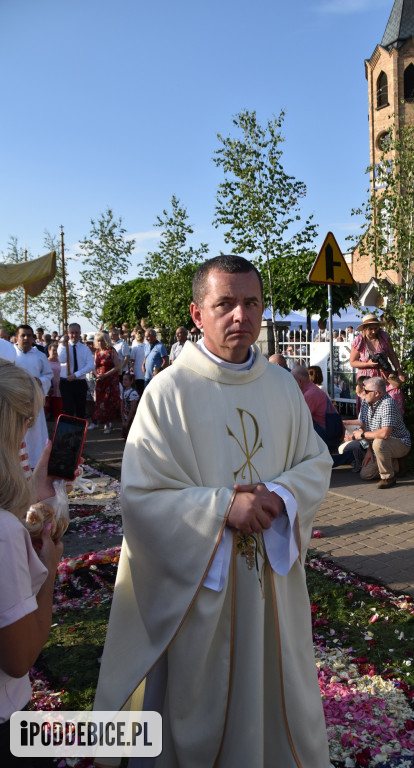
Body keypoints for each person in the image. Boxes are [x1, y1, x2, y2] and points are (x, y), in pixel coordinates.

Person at [94, 255, 332, 767]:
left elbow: (316, 461)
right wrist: (223, 507)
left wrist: (280, 496)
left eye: (251, 303)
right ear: (198, 313)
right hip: (200, 591)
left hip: (269, 587)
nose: (239, 316)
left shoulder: (282, 388)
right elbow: (141, 497)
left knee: (271, 698)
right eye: (224, 303)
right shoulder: (168, 393)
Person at [0, 361, 63, 759]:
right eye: (27, 425)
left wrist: (32, 494)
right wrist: (51, 569)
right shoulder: (4, 533)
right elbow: (19, 658)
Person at [352, 377, 411, 488]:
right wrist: (369, 450)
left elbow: (385, 434)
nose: (363, 393)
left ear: (377, 393)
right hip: (378, 446)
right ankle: (395, 465)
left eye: (366, 391)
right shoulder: (366, 402)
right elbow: (364, 427)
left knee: (379, 442)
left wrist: (363, 435)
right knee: (365, 475)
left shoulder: (388, 403)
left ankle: (388, 478)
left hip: (400, 442)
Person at [13, 325, 53, 468]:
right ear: (16, 337)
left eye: (29, 335)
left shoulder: (40, 356)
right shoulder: (10, 355)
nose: (26, 338)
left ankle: (37, 463)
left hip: (34, 402)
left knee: (35, 435)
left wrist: (40, 381)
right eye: (23, 335)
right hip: (14, 403)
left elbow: (49, 375)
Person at [350, 314, 406, 411]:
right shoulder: (359, 341)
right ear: (365, 328)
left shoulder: (384, 337)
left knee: (395, 395)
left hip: (385, 375)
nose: (374, 331)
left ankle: (394, 423)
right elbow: (352, 362)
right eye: (371, 329)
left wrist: (399, 371)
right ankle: (370, 425)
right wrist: (368, 364)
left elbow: (392, 354)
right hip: (367, 377)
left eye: (376, 328)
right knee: (370, 406)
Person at [292, 364, 342, 451]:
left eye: (292, 381)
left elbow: (300, 420)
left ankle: (349, 457)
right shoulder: (312, 389)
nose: (291, 384)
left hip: (328, 436)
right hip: (332, 432)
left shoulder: (310, 394)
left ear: (300, 381)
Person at [57, 322, 95, 420]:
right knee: (68, 410)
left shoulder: (85, 349)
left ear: (80, 333)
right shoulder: (63, 347)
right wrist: (63, 345)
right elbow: (62, 359)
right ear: (68, 333)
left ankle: (79, 432)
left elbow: (90, 365)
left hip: (79, 382)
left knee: (80, 409)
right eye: (72, 333)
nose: (74, 335)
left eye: (76, 333)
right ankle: (68, 433)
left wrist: (76, 375)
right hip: (66, 382)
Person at [93, 331, 121, 434]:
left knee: (109, 401)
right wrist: (97, 375)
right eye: (98, 341)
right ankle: (101, 421)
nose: (100, 343)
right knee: (100, 401)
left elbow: (117, 367)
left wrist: (105, 375)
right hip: (100, 380)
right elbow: (94, 366)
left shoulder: (111, 351)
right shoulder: (97, 352)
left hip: (110, 379)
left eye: (102, 341)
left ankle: (108, 424)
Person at [120, 372, 139, 439]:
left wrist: (127, 421)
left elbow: (133, 408)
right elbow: (122, 406)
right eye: (123, 379)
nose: (124, 381)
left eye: (126, 379)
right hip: (125, 416)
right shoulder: (123, 392)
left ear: (131, 381)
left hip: (131, 417)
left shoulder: (133, 393)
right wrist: (123, 420)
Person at [46, 342, 62, 419]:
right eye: (54, 350)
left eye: (57, 350)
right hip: (48, 388)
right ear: (49, 351)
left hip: (58, 389)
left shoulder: (61, 362)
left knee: (57, 409)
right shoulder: (45, 362)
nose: (55, 352)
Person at [129, 328, 146, 396]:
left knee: (138, 389)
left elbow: (132, 360)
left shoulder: (135, 348)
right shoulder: (147, 347)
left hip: (137, 372)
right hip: (144, 372)